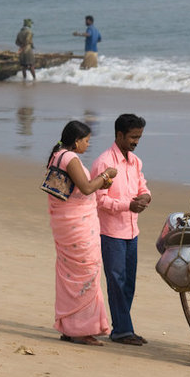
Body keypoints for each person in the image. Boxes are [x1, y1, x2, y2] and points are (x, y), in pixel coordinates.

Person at [47, 121, 118, 346]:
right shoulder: (70, 158)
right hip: (77, 225)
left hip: (66, 223)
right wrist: (106, 175)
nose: (88, 144)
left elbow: (78, 188)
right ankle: (80, 330)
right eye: (86, 140)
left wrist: (100, 183)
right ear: (76, 141)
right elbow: (87, 188)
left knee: (70, 273)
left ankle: (70, 326)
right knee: (87, 271)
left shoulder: (57, 155)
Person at [90, 114, 151, 346]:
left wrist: (145, 196)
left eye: (139, 137)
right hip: (110, 231)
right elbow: (99, 200)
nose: (136, 141)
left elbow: (142, 186)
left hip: (132, 231)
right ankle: (123, 330)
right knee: (116, 280)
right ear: (119, 135)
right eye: (133, 137)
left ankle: (122, 327)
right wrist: (128, 205)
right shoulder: (105, 162)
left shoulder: (135, 161)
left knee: (129, 282)